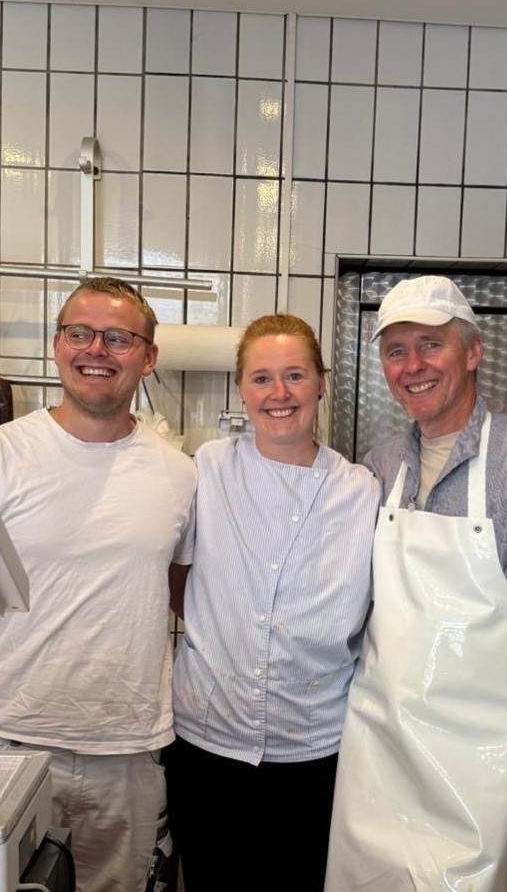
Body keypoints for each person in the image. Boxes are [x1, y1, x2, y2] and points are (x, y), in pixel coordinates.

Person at [0, 278, 196, 892]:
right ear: (57, 345)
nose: (97, 349)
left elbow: (190, 597)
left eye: (119, 337)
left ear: (148, 357)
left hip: (128, 753)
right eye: (80, 333)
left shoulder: (179, 474)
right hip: (2, 745)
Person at [325, 275, 507, 892]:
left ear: (472, 352)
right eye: (396, 351)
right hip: (376, 764)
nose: (412, 366)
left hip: (482, 775)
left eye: (431, 345)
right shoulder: (379, 467)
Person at [165, 314, 380, 892]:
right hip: (209, 745)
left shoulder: (361, 490)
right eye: (261, 378)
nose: (278, 394)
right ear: (241, 389)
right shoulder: (208, 468)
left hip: (317, 752)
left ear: (321, 384)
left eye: (294, 376)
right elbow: (177, 575)